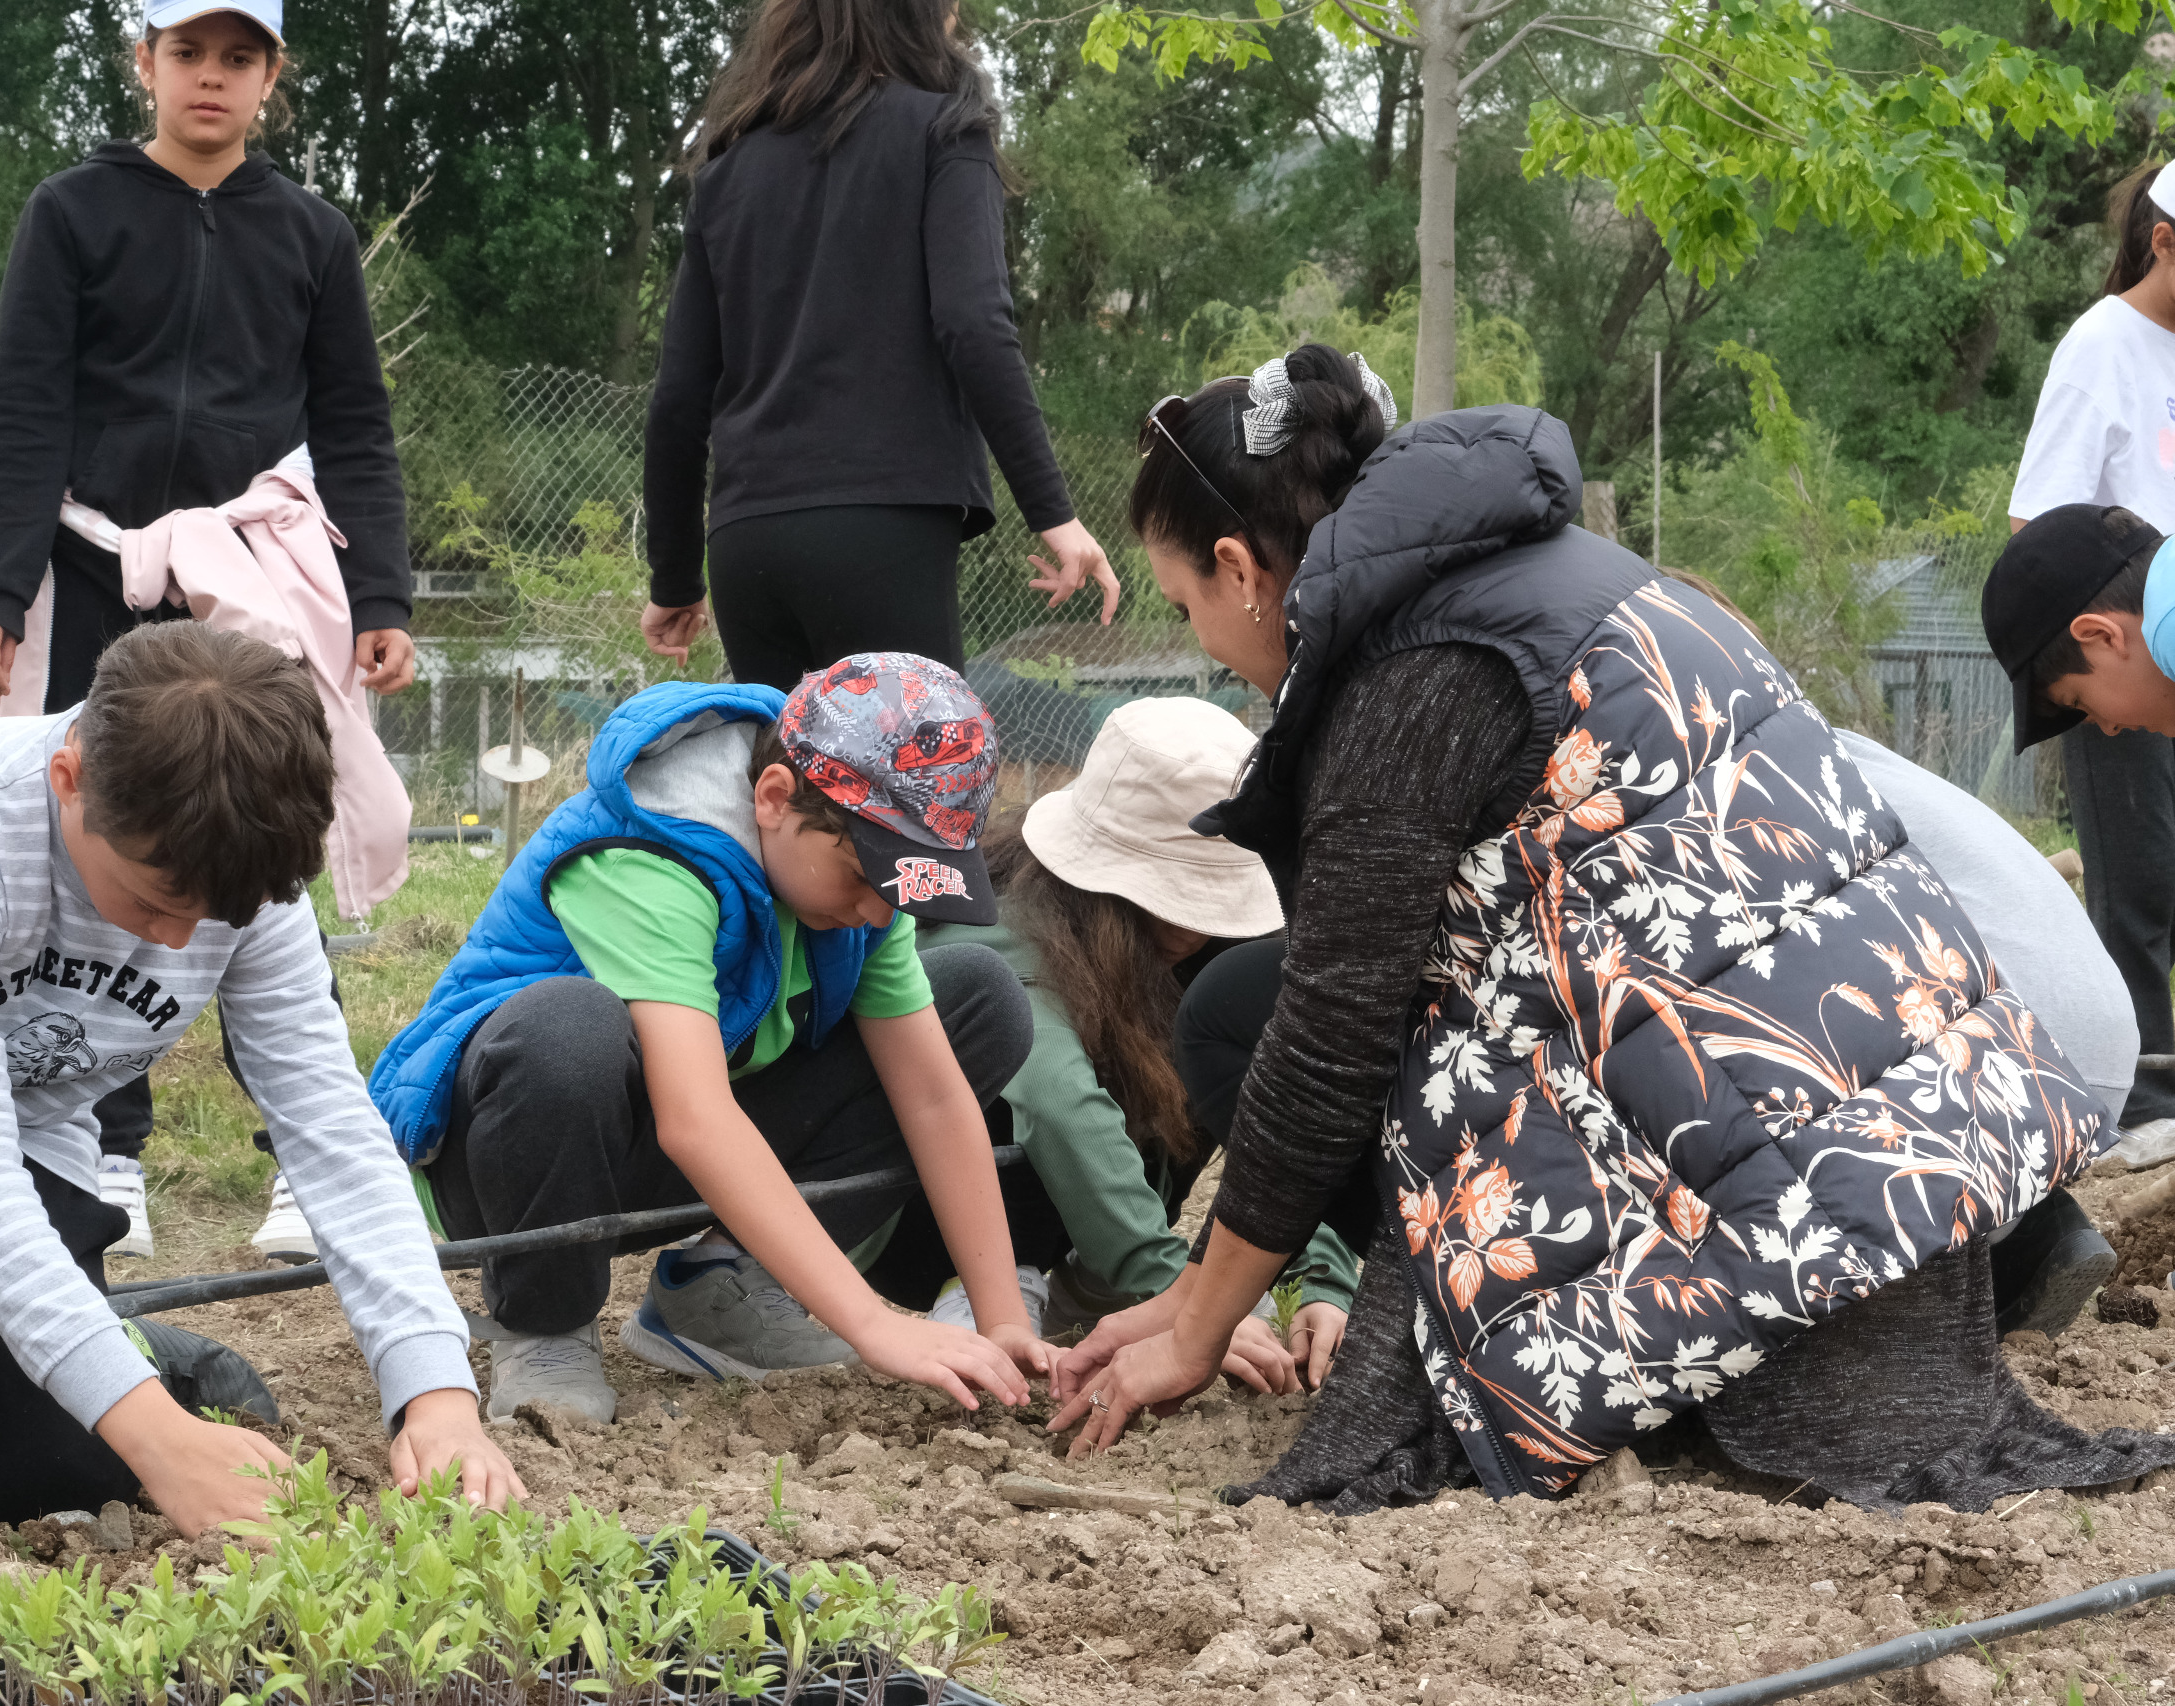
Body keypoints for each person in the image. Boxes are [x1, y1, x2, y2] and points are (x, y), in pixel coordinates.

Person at [1047, 349, 2171, 1515]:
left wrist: (1199, 1324)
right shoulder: (1573, 574)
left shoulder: (1418, 674)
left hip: (1818, 1181)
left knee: (1328, 1039)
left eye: (1184, 606)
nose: (1200, 640)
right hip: (1932, 1130)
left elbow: (1332, 1036)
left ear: (1239, 568)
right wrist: (1193, 1294)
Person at [0, 624, 520, 1528]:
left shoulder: (233, 852)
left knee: (52, 1483)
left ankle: (131, 1337)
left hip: (17, 1122)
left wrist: (437, 1394)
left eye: (212, 919)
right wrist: (156, 1431)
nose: (177, 944)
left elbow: (329, 1126)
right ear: (68, 781)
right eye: (153, 901)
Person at [0, 0, 415, 1262]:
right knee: (89, 840)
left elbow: (355, 427)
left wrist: (380, 596)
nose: (212, 78)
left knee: (267, 835)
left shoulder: (310, 236)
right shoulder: (72, 213)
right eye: (189, 53)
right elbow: (24, 404)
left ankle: (305, 1159)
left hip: (249, 579)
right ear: (144, 62)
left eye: (239, 57)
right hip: (95, 568)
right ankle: (101, 1144)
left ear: (271, 76)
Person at [370, 653, 1050, 1426]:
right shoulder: (651, 854)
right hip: (514, 1153)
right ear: (773, 797)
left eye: (899, 890)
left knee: (979, 1000)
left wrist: (1004, 1324)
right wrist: (874, 1324)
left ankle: (716, 1294)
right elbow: (694, 1118)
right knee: (567, 1027)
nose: (876, 911)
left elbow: (931, 1096)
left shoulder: (864, 899)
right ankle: (544, 1325)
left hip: (678, 1134)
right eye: (863, 877)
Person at [1662, 572, 2136, 1334]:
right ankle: (2028, 1231)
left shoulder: (1728, 790)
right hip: (2087, 1062)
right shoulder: (1840, 748)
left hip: (2019, 1080)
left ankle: (1959, 1265)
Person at [638, 0, 1120, 690]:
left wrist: (676, 576)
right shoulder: (945, 129)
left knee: (791, 795)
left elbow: (680, 397)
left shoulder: (727, 167)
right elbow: (974, 322)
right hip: (883, 529)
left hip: (749, 542)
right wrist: (1056, 516)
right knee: (914, 790)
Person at [883, 697, 1356, 1392]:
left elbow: (1289, 1089)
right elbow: (1057, 1099)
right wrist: (1184, 1300)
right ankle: (1006, 1287)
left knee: (1220, 1037)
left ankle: (1094, 1287)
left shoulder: (1214, 951)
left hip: (1106, 1235)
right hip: (925, 1230)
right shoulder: (1002, 921)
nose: (1195, 926)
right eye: (1173, 896)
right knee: (1016, 1071)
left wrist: (1322, 1277)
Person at [2005, 162, 2175, 1168]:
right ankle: (2141, 1098)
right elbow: (2041, 523)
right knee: (2140, 876)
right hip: (2123, 649)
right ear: (2162, 242)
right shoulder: (2102, 346)